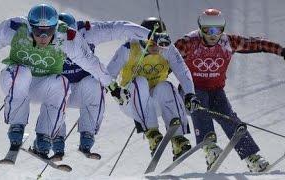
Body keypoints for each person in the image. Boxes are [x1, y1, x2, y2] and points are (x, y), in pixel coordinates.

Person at [0, 4, 129, 159]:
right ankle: (17, 126)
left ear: (55, 28)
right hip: (17, 81)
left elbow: (91, 63)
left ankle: (44, 137)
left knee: (62, 83)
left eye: (48, 31)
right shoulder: (14, 28)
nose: (43, 37)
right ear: (30, 27)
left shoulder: (66, 37)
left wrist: (112, 86)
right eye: (38, 31)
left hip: (42, 86)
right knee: (22, 73)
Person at [175, 8, 285, 172]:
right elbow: (167, 58)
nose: (213, 34)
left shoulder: (228, 42)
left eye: (217, 30)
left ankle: (251, 157)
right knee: (200, 104)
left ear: (223, 29)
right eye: (207, 30)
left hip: (216, 90)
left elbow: (257, 43)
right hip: (191, 91)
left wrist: (282, 51)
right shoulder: (188, 42)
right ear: (200, 28)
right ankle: (210, 148)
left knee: (230, 119)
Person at [50, 13, 172, 160]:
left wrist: (151, 36)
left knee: (95, 83)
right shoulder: (45, 36)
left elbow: (119, 28)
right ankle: (54, 141)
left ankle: (87, 138)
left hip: (83, 88)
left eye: (71, 35)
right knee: (56, 86)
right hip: (60, 87)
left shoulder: (88, 31)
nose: (68, 39)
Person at [107, 17, 200, 161]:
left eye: (160, 40)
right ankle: (152, 133)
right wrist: (115, 90)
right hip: (130, 101)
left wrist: (190, 94)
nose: (157, 46)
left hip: (155, 103)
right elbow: (108, 74)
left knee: (166, 86)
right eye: (152, 41)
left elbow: (182, 71)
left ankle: (178, 139)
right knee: (140, 81)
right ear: (143, 37)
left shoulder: (167, 49)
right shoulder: (128, 48)